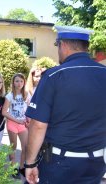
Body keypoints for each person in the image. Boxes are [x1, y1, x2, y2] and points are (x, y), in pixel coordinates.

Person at [25, 26, 106, 184]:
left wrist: (30, 163)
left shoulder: (54, 76)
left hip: (60, 163)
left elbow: (38, 125)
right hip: (96, 162)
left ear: (63, 45)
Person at [2, 73, 30, 178]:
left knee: (25, 147)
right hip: (12, 124)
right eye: (17, 81)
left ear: (24, 82)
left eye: (21, 81)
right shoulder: (9, 96)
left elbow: (30, 109)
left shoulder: (27, 94)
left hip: (23, 124)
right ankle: (13, 168)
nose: (19, 83)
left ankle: (22, 167)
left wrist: (29, 120)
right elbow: (4, 112)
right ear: (13, 82)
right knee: (13, 147)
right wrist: (17, 120)